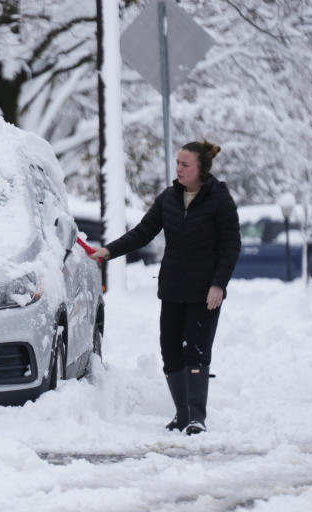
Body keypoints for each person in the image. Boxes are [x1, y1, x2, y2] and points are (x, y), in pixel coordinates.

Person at [89, 141, 240, 435]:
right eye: (178, 163)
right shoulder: (169, 198)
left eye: (186, 164)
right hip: (172, 288)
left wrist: (218, 285)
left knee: (195, 352)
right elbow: (142, 233)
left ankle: (197, 417)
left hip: (204, 291)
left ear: (201, 169)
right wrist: (108, 251)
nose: (179, 169)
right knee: (170, 351)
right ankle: (182, 415)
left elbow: (231, 246)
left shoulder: (220, 200)